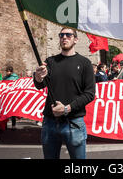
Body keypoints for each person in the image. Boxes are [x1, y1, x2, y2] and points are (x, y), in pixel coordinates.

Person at [34, 27, 95, 159]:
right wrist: (39, 76)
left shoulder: (85, 63)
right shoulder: (50, 61)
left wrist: (67, 108)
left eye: (68, 35)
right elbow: (39, 85)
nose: (64, 37)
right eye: (61, 35)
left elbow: (90, 93)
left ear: (76, 39)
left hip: (74, 122)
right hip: (50, 122)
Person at [2, 65, 19, 130]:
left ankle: (13, 125)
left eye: (8, 71)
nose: (7, 72)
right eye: (6, 71)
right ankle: (5, 125)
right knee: (5, 111)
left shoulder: (15, 77)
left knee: (12, 112)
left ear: (11, 71)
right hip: (6, 97)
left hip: (12, 97)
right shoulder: (5, 78)